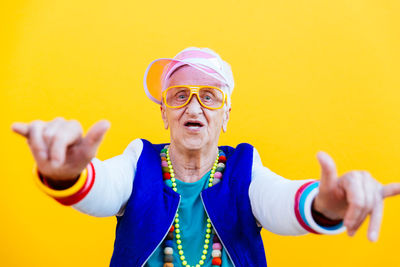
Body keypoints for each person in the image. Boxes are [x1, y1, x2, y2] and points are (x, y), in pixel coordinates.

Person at [12, 47, 400, 267]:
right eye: (179, 95)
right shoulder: (138, 162)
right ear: (163, 113)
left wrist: (325, 205)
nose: (193, 106)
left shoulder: (244, 171)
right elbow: (104, 189)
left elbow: (282, 202)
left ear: (226, 116)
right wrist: (65, 175)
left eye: (209, 96)